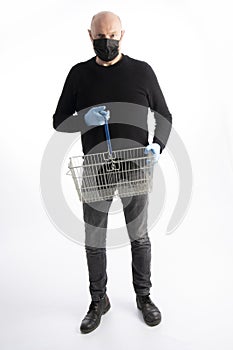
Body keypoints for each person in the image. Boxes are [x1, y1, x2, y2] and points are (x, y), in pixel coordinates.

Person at [52, 11, 172, 334]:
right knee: (94, 240)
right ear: (90, 36)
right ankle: (97, 301)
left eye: (113, 35)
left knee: (139, 237)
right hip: (95, 171)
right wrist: (83, 120)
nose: (108, 42)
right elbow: (59, 120)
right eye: (101, 36)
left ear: (123, 34)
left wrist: (157, 146)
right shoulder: (78, 75)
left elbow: (165, 116)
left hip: (135, 167)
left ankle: (144, 297)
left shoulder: (142, 73)